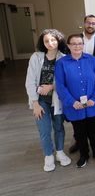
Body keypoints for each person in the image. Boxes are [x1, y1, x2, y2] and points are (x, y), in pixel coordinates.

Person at [55, 34, 95, 168]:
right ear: (69, 46)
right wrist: (72, 102)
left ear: (83, 45)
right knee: (80, 132)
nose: (77, 46)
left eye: (80, 43)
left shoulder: (92, 60)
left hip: (93, 104)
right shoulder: (61, 63)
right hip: (74, 106)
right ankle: (84, 154)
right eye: (74, 44)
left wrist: (94, 98)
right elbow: (60, 85)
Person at [25, 29, 72, 172]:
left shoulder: (64, 58)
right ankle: (48, 155)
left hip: (57, 99)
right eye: (46, 41)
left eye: (53, 40)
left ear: (58, 41)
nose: (50, 43)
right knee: (44, 130)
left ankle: (59, 152)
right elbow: (30, 81)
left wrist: (51, 86)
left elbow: (67, 81)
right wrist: (35, 103)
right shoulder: (36, 57)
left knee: (58, 127)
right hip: (40, 100)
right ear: (43, 43)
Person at [68, 14, 95, 154]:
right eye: (88, 23)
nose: (90, 25)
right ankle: (79, 140)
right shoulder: (74, 40)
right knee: (77, 114)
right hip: (76, 84)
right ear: (84, 24)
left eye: (93, 23)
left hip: (94, 84)